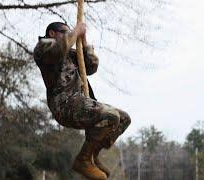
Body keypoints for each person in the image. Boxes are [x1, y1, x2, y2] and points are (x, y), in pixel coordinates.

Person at [33, 22, 131, 180]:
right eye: (65, 32)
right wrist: (76, 31)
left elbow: (91, 67)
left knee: (123, 119)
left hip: (80, 102)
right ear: (52, 34)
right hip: (65, 105)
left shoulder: (69, 54)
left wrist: (84, 42)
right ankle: (82, 160)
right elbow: (57, 51)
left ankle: (92, 156)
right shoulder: (43, 48)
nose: (70, 34)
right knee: (110, 116)